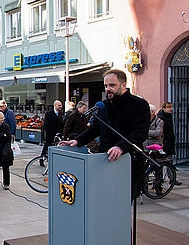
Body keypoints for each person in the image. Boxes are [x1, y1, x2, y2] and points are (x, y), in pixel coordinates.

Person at [61, 69, 151, 198]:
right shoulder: (104, 106)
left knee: (123, 204)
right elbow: (94, 129)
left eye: (112, 85)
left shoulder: (138, 105)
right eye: (106, 86)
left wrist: (120, 147)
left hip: (128, 162)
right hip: (105, 160)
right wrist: (77, 141)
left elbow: (140, 133)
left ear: (123, 85)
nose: (108, 89)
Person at [40, 100, 64, 165]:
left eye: (61, 105)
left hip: (58, 134)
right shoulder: (49, 113)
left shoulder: (60, 114)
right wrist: (49, 133)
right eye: (59, 105)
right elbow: (46, 124)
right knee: (47, 146)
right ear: (55, 105)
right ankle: (41, 159)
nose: (60, 107)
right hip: (50, 134)